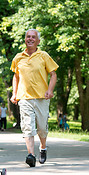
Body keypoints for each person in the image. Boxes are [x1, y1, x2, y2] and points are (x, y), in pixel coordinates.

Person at [10, 29, 59, 167]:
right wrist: (14, 93)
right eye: (28, 36)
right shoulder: (18, 57)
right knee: (27, 126)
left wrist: (50, 91)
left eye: (33, 37)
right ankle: (31, 155)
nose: (30, 39)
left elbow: (53, 74)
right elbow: (16, 76)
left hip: (42, 98)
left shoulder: (43, 56)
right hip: (25, 97)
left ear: (38, 41)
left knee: (42, 128)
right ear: (25, 39)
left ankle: (43, 148)